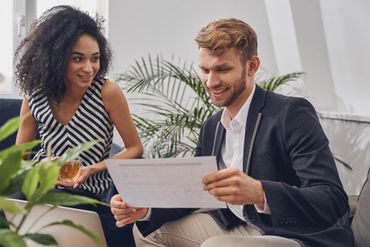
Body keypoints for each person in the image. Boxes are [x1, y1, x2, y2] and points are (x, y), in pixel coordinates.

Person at [110, 18, 354, 247]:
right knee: (147, 232)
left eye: (222, 69)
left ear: (252, 66)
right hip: (237, 224)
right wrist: (147, 209)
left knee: (216, 245)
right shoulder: (212, 126)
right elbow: (197, 193)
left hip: (289, 233)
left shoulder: (290, 114)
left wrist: (260, 193)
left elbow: (332, 200)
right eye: (205, 70)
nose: (210, 81)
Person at [15, 5, 143, 246]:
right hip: (45, 189)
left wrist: (92, 169)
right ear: (55, 59)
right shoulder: (34, 97)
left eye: (94, 59)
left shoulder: (107, 92)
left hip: (94, 192)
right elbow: (18, 162)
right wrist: (39, 167)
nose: (88, 68)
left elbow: (135, 148)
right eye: (77, 59)